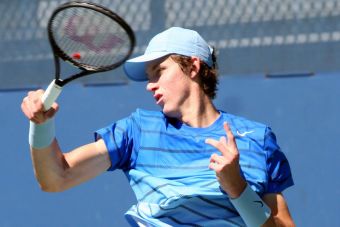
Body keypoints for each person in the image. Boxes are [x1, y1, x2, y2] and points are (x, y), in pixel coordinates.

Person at [21, 27, 295, 227]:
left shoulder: (257, 138)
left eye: (159, 71)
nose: (150, 84)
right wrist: (41, 127)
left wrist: (238, 188)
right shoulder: (137, 131)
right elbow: (56, 178)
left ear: (193, 67)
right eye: (148, 76)